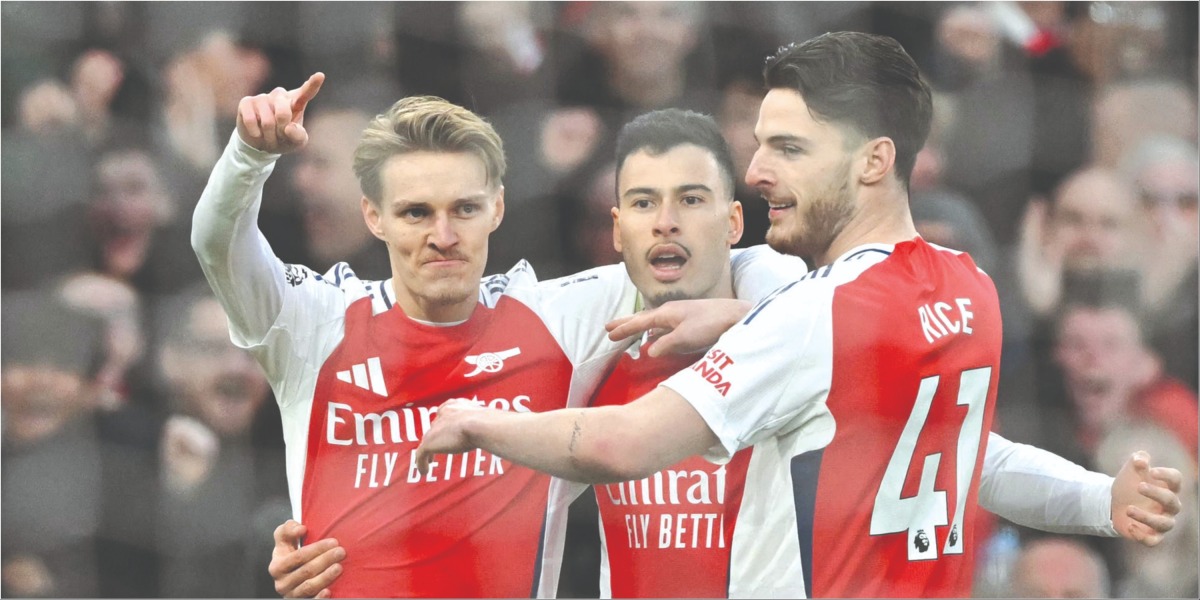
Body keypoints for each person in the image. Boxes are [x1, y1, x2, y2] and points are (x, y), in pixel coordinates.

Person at [415, 32, 1183, 597]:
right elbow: (973, 459)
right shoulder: (965, 285)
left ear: (873, 161)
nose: (756, 172)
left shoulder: (813, 317)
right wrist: (1098, 499)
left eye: (788, 147)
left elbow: (622, 444)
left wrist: (476, 423)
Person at [192, 74, 791, 597]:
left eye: (465, 209)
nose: (444, 235)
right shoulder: (312, 324)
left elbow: (705, 254)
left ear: (499, 208)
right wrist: (248, 155)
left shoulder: (559, 319)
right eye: (416, 213)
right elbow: (216, 244)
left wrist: (745, 313)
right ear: (374, 216)